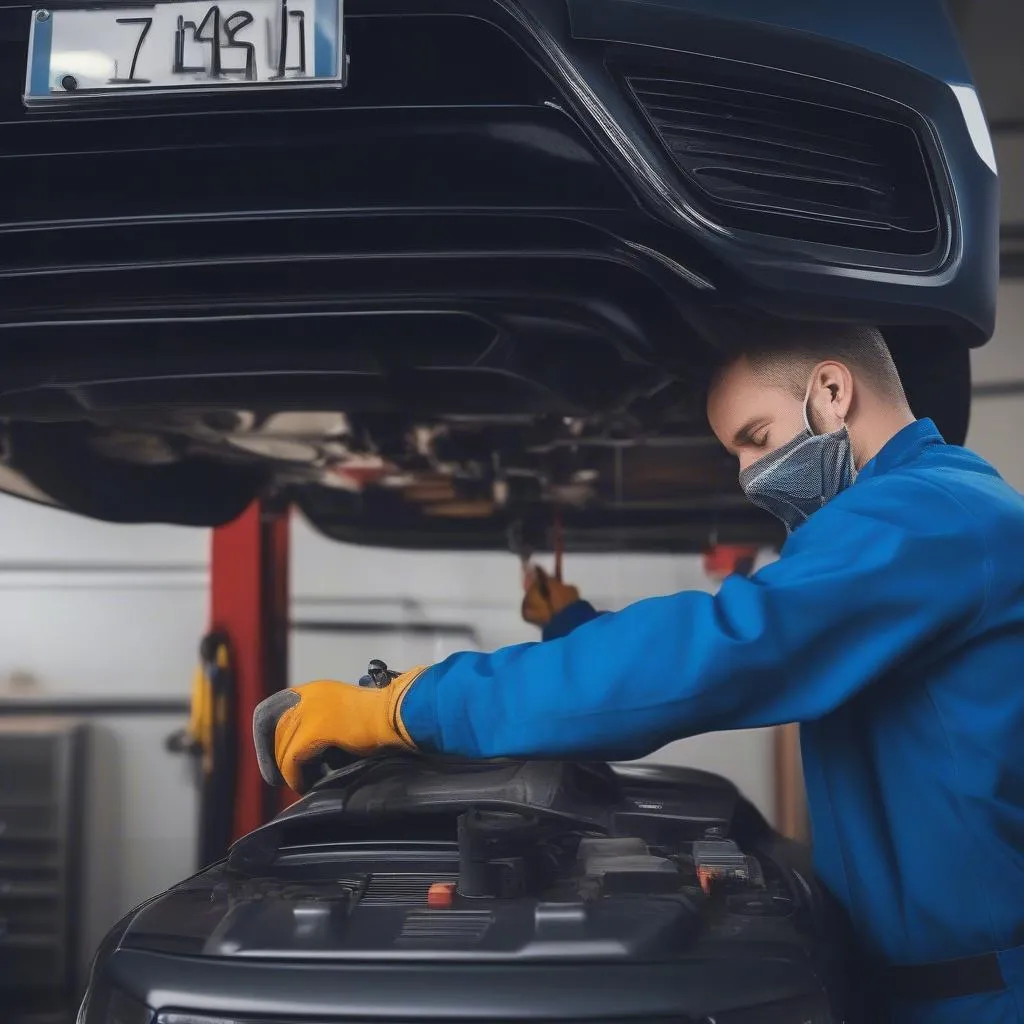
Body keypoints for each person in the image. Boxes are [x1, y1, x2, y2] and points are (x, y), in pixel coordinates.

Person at [254, 324, 1024, 1024]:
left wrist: (409, 706)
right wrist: (566, 624)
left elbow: (721, 651)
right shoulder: (934, 511)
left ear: (831, 390)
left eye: (755, 437)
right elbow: (734, 645)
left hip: (979, 1000)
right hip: (931, 986)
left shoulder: (926, 516)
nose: (749, 477)